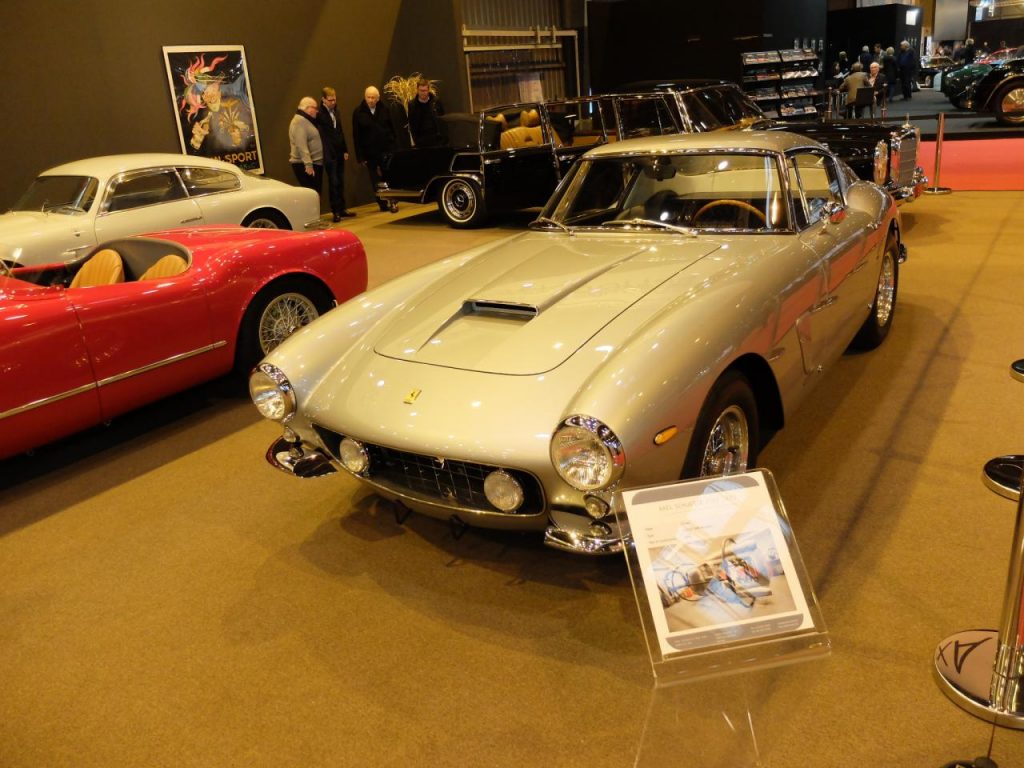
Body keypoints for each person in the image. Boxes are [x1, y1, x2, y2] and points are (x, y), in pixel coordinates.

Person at [353, 86, 399, 213]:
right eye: (368, 97)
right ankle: (382, 204)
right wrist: (360, 156)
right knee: (375, 180)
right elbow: (356, 136)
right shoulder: (358, 112)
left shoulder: (385, 110)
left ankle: (392, 201)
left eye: (373, 97)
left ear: (378, 98)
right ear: (365, 97)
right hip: (370, 152)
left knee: (388, 177)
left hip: (386, 150)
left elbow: (392, 129)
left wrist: (394, 147)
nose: (371, 100)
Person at [316, 87, 354, 221]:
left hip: (339, 151)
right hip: (328, 153)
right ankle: (335, 211)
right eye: (330, 100)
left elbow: (340, 131)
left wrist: (345, 150)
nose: (333, 102)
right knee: (333, 182)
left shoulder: (336, 111)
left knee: (341, 181)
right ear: (323, 100)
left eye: (334, 99)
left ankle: (343, 208)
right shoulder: (319, 114)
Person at [289, 96, 323, 191]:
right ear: (308, 108)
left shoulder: (306, 120)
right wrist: (308, 165)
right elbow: (301, 145)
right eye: (315, 108)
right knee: (313, 194)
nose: (317, 111)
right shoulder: (299, 121)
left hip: (315, 164)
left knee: (316, 194)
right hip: (305, 166)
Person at [407, 77, 446, 148]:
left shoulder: (436, 102)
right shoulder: (412, 105)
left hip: (436, 139)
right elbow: (411, 123)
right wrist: (416, 140)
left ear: (428, 90)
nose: (423, 93)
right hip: (420, 140)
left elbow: (443, 119)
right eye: (421, 90)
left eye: (425, 90)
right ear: (417, 90)